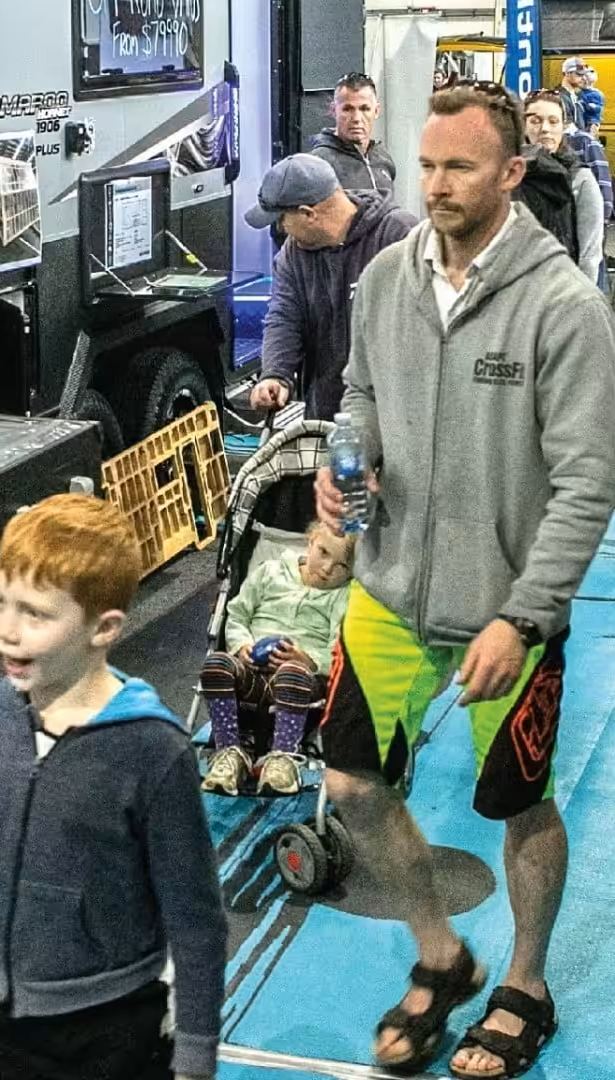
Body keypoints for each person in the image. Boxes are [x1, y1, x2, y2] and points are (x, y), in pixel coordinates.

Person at [316, 82, 615, 1078]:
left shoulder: (564, 308)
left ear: (512, 173)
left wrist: (523, 618)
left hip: (505, 608)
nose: (436, 186)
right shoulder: (385, 280)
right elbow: (359, 401)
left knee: (520, 804)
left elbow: (587, 484)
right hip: (392, 589)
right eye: (428, 165)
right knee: (352, 784)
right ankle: (441, 955)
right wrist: (346, 483)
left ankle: (525, 984)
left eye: (460, 168)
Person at [0, 494, 224, 1080]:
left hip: (113, 1036)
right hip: (0, 1023)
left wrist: (194, 1063)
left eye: (35, 615)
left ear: (104, 628)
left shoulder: (152, 749)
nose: (5, 631)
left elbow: (196, 921)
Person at [247, 153, 418, 422]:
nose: (281, 228)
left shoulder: (398, 237)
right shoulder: (293, 254)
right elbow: (284, 317)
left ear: (308, 214)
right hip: (327, 417)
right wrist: (276, 375)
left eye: (281, 219)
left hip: (395, 419)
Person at [201, 521, 354, 797]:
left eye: (341, 565)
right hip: (251, 669)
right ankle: (229, 752)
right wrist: (242, 645)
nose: (327, 568)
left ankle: (283, 758)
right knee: (216, 664)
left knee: (293, 672)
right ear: (310, 542)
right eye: (323, 552)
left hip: (301, 680)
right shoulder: (271, 571)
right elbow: (237, 615)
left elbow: (340, 649)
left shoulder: (343, 597)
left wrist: (309, 660)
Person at [521, 90, 602, 284]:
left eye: (553, 121)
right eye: (535, 121)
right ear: (523, 126)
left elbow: (589, 256)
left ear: (563, 126)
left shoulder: (580, 179)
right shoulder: (508, 175)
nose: (545, 129)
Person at [309, 71, 396, 198]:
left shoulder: (382, 158)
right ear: (333, 110)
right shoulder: (318, 164)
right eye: (347, 109)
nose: (356, 118)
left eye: (365, 109)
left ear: (376, 111)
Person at [558, 58, 604, 134]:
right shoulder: (560, 97)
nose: (583, 78)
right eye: (579, 74)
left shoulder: (578, 96)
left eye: (584, 74)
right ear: (567, 73)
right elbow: (566, 128)